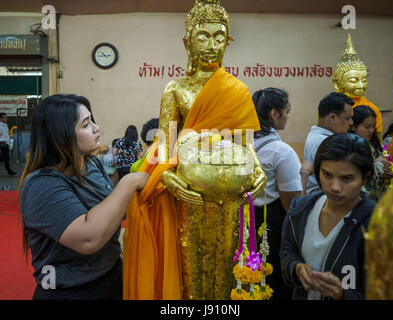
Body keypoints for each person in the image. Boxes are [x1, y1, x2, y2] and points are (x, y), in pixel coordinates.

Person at [123, 0, 265, 300]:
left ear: (228, 41)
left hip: (230, 197)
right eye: (203, 36)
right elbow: (163, 148)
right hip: (189, 196)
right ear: (188, 42)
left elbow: (245, 147)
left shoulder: (237, 90)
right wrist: (169, 179)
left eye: (218, 36)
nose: (211, 45)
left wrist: (258, 170)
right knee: (190, 276)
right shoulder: (176, 89)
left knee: (228, 272)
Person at [19, 94, 149, 300]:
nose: (96, 128)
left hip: (111, 275)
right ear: (61, 135)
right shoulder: (42, 185)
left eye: (92, 120)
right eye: (86, 124)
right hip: (72, 291)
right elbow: (88, 237)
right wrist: (129, 183)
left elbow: (113, 212)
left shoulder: (91, 164)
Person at [280, 133, 376, 300]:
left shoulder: (376, 225)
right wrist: (296, 268)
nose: (335, 187)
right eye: (327, 175)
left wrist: (342, 294)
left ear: (365, 178)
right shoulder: (300, 210)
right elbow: (287, 252)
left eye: (347, 178)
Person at [252, 87, 302, 300]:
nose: (288, 117)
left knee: (250, 280)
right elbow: (293, 206)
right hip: (273, 227)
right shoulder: (281, 152)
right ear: (275, 113)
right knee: (274, 284)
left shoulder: (241, 145)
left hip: (246, 224)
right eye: (287, 112)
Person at [301, 92, 354, 195]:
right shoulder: (326, 142)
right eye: (348, 118)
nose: (351, 123)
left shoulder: (316, 135)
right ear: (333, 117)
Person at [332, 34, 383, 141]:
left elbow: (377, 139)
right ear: (337, 83)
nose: (361, 85)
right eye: (353, 80)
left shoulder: (372, 108)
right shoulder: (331, 106)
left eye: (364, 80)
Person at [351, 105, 393, 202]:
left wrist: (386, 173)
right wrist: (373, 162)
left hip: (377, 197)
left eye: (373, 127)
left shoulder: (373, 143)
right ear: (354, 126)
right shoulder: (349, 144)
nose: (371, 130)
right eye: (367, 127)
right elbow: (348, 167)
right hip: (360, 200)